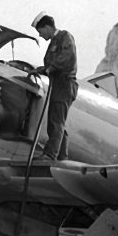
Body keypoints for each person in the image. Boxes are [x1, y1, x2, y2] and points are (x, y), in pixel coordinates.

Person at [29, 11, 78, 160]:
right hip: (58, 85)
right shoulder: (55, 42)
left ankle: (51, 155)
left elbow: (67, 58)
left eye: (40, 31)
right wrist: (41, 70)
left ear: (47, 27)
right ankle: (62, 156)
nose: (40, 35)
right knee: (56, 120)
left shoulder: (65, 37)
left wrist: (50, 68)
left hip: (65, 84)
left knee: (56, 121)